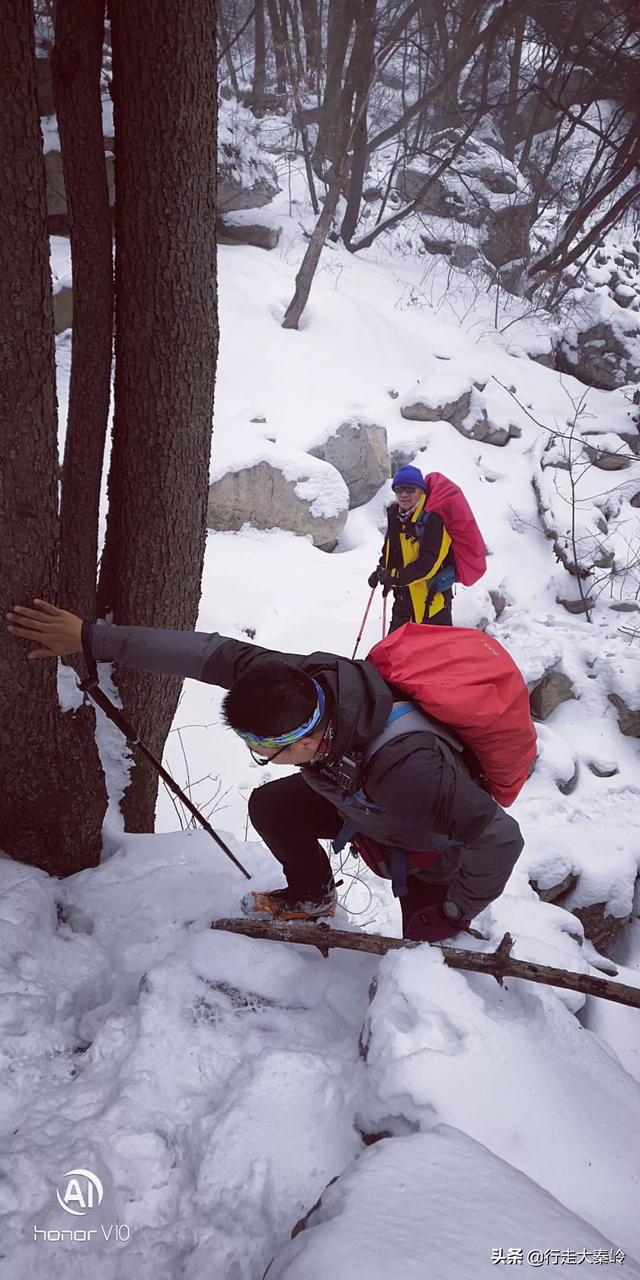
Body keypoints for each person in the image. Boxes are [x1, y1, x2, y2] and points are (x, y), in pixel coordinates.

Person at [7, 600, 524, 943]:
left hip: (427, 847)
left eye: (266, 752)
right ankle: (312, 896)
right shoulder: (300, 684)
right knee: (272, 806)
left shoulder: (412, 771)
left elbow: (499, 838)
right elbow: (209, 654)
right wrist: (92, 637)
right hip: (359, 795)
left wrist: (456, 911)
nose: (262, 759)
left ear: (306, 741)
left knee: (426, 952)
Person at [369, 465, 455, 630]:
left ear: (421, 491)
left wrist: (393, 576)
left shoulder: (433, 520)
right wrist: (381, 571)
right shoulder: (396, 516)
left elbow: (428, 565)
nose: (403, 494)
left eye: (409, 489)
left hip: (432, 603)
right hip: (403, 600)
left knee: (433, 654)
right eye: (399, 489)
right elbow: (391, 551)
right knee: (396, 652)